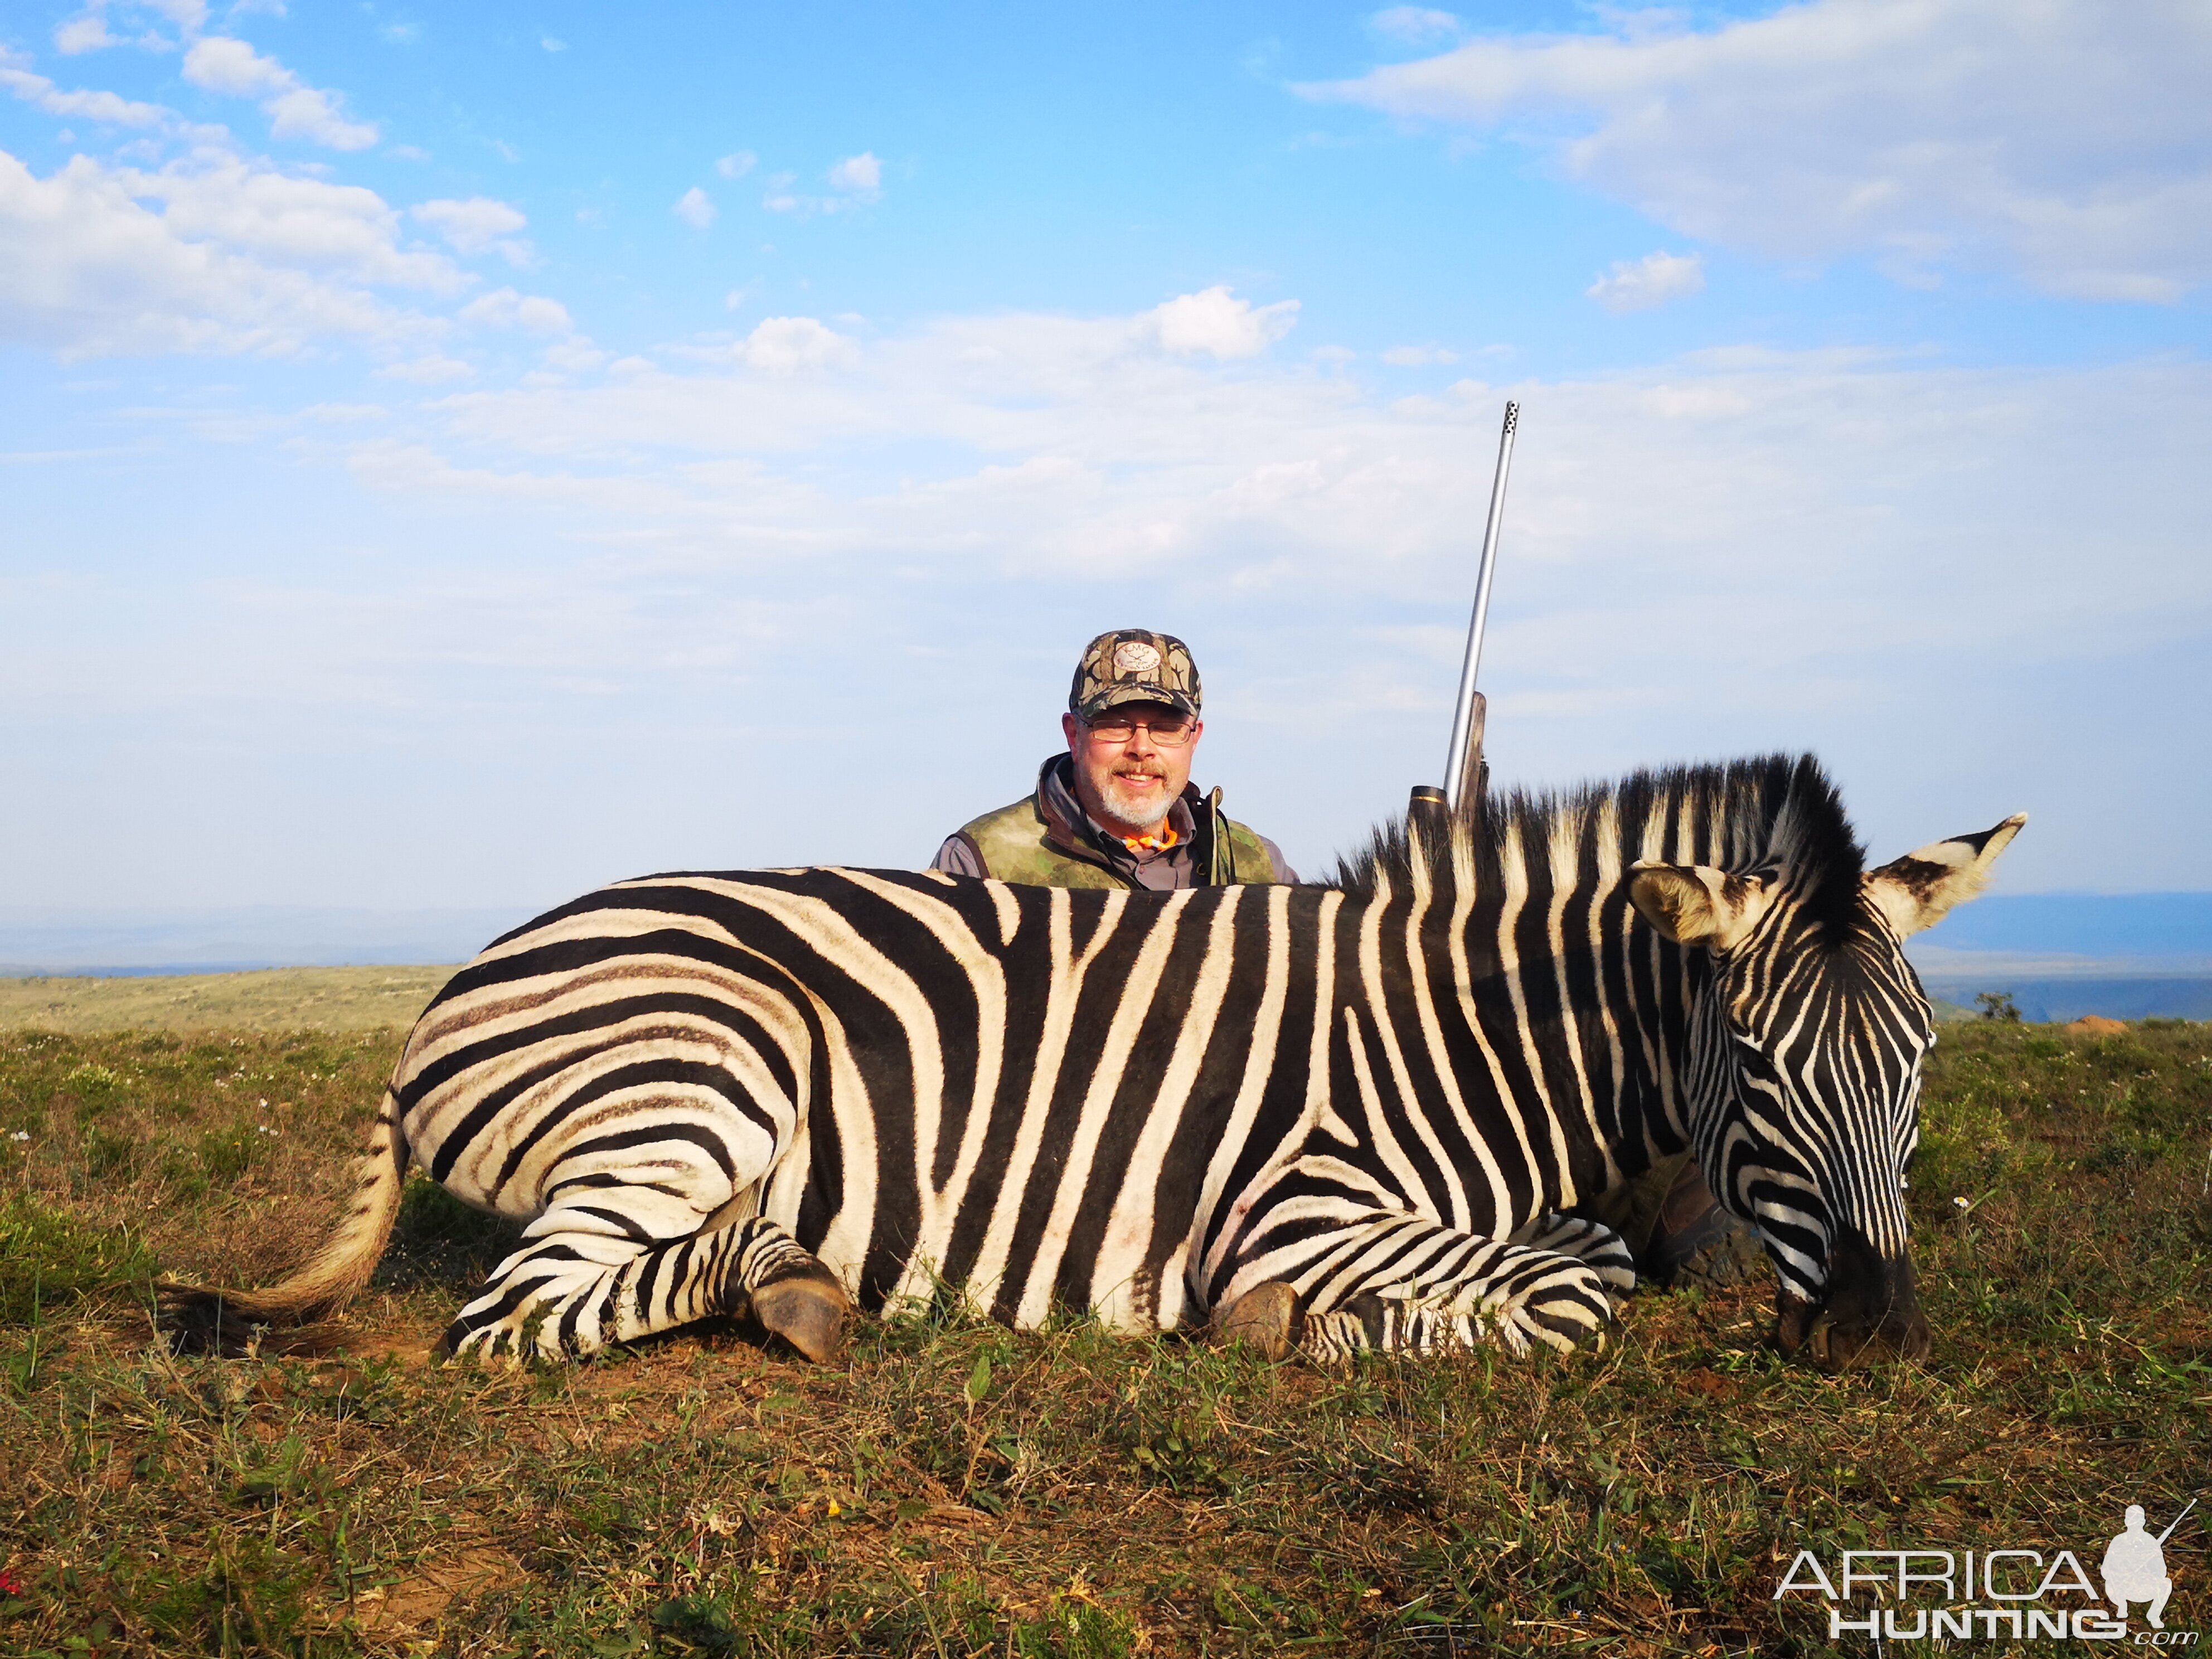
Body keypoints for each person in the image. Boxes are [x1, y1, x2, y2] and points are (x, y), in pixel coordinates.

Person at [933, 628, 1296, 890]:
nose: (1141, 748)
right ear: (1074, 735)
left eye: (1166, 728)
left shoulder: (1257, 867)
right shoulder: (981, 863)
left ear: (1194, 739)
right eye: (1114, 725)